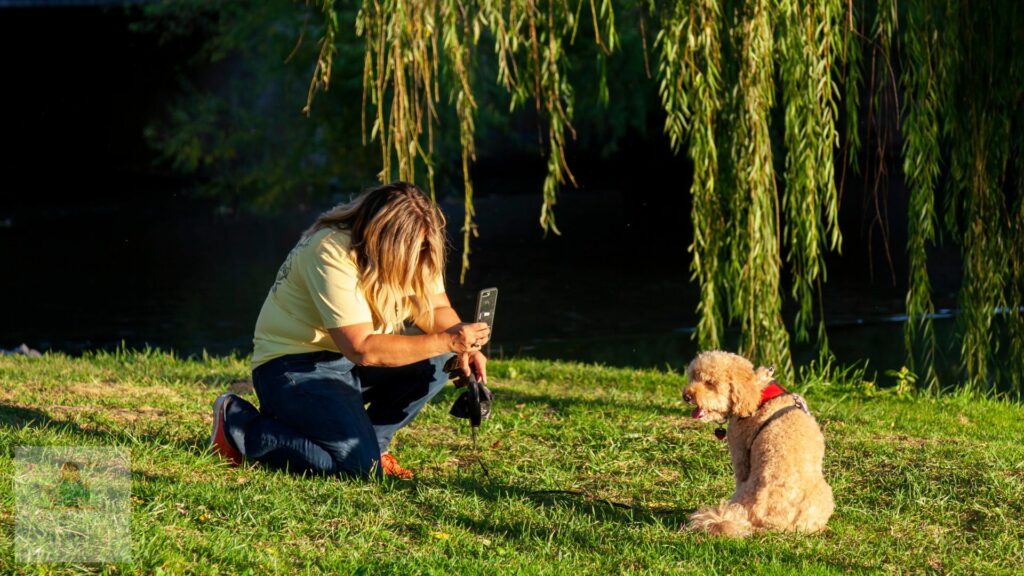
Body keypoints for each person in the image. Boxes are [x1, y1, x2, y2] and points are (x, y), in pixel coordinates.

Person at [208, 182, 490, 479]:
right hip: (292, 366)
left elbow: (435, 307)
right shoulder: (330, 250)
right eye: (411, 252)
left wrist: (463, 344)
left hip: (345, 363)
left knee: (438, 357)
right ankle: (239, 423)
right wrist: (448, 340)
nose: (418, 259)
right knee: (355, 468)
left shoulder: (417, 246)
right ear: (382, 240)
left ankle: (375, 448)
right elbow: (361, 348)